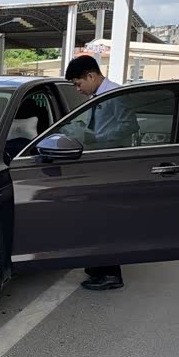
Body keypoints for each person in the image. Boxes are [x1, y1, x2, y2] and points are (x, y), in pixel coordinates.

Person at [65, 55, 134, 291]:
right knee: (95, 218)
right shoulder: (98, 96)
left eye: (78, 84)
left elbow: (130, 126)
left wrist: (98, 138)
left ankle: (112, 274)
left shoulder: (115, 95)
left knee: (106, 220)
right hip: (98, 163)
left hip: (112, 165)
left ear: (91, 76)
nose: (78, 89)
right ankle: (98, 266)